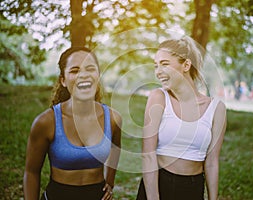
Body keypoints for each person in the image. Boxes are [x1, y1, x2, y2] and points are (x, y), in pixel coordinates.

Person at [23, 47, 122, 200]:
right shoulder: (46, 122)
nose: (84, 75)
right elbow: (31, 172)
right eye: (75, 71)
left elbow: (116, 148)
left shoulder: (113, 118)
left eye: (90, 69)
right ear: (63, 80)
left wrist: (110, 181)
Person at [136, 36, 227, 200]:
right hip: (160, 185)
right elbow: (148, 154)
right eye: (156, 66)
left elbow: (212, 162)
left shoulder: (216, 109)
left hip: (193, 188)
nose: (158, 72)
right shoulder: (158, 98)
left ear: (186, 65)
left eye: (164, 64)